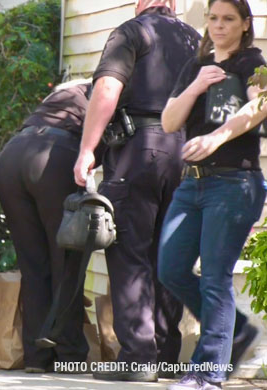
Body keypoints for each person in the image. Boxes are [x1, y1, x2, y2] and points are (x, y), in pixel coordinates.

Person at [73, 0, 201, 382]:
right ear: (174, 4)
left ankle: (138, 357)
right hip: (187, 153)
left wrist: (87, 150)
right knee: (170, 253)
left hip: (138, 150)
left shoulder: (132, 31)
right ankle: (164, 354)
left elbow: (108, 87)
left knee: (129, 251)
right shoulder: (196, 39)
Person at [158, 1, 267, 388]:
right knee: (169, 268)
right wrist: (197, 84)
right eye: (214, 18)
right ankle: (237, 329)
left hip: (234, 183)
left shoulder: (253, 62)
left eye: (229, 19)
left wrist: (217, 136)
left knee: (214, 278)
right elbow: (170, 121)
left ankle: (208, 373)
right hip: (192, 184)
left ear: (244, 24)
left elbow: (260, 104)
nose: (219, 26)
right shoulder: (196, 64)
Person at [0, 80, 103, 373]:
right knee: (67, 262)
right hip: (53, 157)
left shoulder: (69, 90)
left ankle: (37, 357)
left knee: (33, 266)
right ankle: (69, 356)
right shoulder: (109, 91)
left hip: (12, 157)